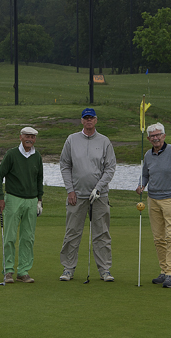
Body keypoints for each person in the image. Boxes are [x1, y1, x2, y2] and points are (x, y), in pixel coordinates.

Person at [59, 108, 117, 282]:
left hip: (100, 196)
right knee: (72, 233)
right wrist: (70, 190)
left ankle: (105, 270)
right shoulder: (72, 139)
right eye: (86, 118)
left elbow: (110, 168)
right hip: (76, 195)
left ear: (96, 120)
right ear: (82, 121)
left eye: (91, 118)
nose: (89, 120)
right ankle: (68, 269)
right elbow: (65, 165)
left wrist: (98, 188)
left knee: (101, 234)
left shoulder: (104, 141)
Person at [136, 122, 171, 288]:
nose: (155, 138)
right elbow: (145, 175)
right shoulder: (148, 155)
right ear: (148, 139)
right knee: (159, 238)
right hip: (153, 199)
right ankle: (163, 270)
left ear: (164, 136)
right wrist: (141, 185)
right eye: (152, 136)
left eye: (158, 135)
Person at [0, 127, 44, 283]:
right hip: (13, 198)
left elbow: (39, 180)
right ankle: (8, 270)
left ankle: (23, 271)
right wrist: (0, 197)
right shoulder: (12, 154)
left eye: (32, 137)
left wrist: (40, 200)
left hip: (32, 200)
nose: (30, 139)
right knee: (9, 237)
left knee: (28, 238)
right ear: (21, 137)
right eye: (27, 136)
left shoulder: (37, 156)